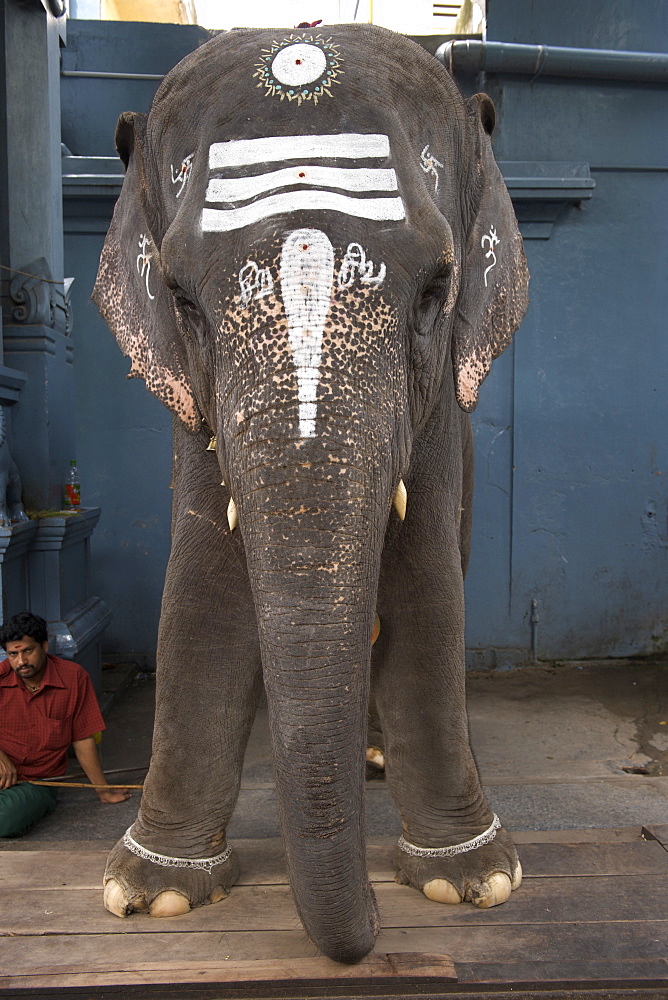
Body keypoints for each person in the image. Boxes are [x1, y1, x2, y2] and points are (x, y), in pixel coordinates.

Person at [0, 611, 130, 837]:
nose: (21, 662)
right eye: (13, 654)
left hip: (37, 782)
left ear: (44, 646)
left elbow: (83, 738)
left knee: (5, 820)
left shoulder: (74, 678)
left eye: (28, 651)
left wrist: (103, 790)